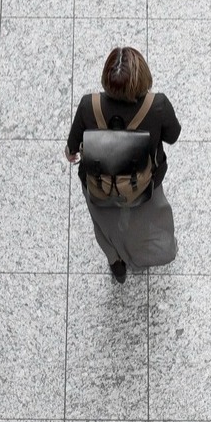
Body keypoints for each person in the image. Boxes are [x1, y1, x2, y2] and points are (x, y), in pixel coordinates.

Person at [67, 46, 181, 282]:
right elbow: (173, 135)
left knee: (104, 224)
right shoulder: (157, 105)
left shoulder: (90, 105)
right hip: (144, 183)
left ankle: (114, 259)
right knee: (148, 219)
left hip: (99, 184)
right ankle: (145, 253)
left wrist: (71, 153)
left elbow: (72, 147)